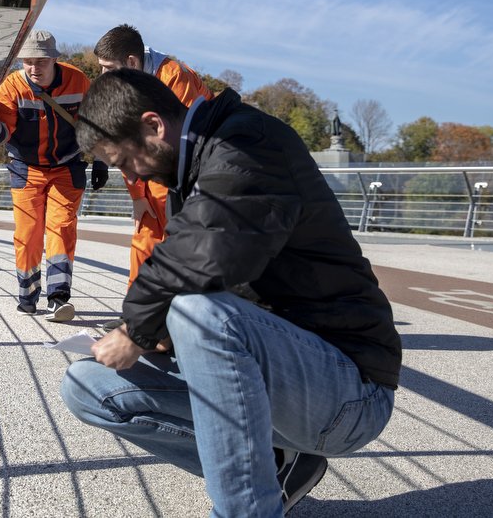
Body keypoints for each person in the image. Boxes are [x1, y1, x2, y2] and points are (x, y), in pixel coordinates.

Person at [60, 68, 401, 516]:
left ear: (153, 126)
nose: (131, 175)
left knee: (197, 314)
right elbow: (212, 269)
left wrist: (138, 328)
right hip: (283, 377)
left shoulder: (247, 143)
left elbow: (209, 249)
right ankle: (280, 462)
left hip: (349, 391)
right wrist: (159, 332)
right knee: (88, 386)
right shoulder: (195, 168)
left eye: (124, 161)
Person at [0, 29, 109, 322]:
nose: (33, 68)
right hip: (27, 168)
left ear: (55, 59)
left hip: (67, 166)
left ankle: (58, 297)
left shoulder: (79, 81)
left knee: (62, 228)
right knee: (28, 235)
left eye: (40, 61)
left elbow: (97, 123)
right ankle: (28, 294)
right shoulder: (12, 87)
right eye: (27, 61)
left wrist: (101, 161)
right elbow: (2, 135)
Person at [94, 23, 214, 296]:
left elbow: (182, 138)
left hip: (187, 164)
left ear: (132, 61)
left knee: (177, 238)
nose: (102, 75)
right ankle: (135, 315)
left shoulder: (174, 77)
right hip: (155, 162)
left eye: (108, 67)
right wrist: (137, 195)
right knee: (145, 235)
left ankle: (171, 315)